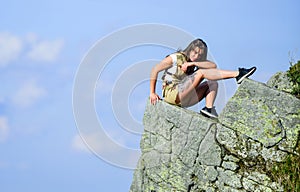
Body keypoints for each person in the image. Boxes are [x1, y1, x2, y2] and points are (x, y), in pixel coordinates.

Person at [149, 38, 256, 118]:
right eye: (195, 52)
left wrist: (193, 64)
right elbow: (155, 70)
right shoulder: (175, 58)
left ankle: (208, 110)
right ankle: (238, 74)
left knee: (213, 84)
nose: (196, 56)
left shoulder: (194, 62)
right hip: (172, 94)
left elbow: (213, 66)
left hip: (185, 98)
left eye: (199, 55)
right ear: (190, 49)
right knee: (200, 73)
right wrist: (152, 93)